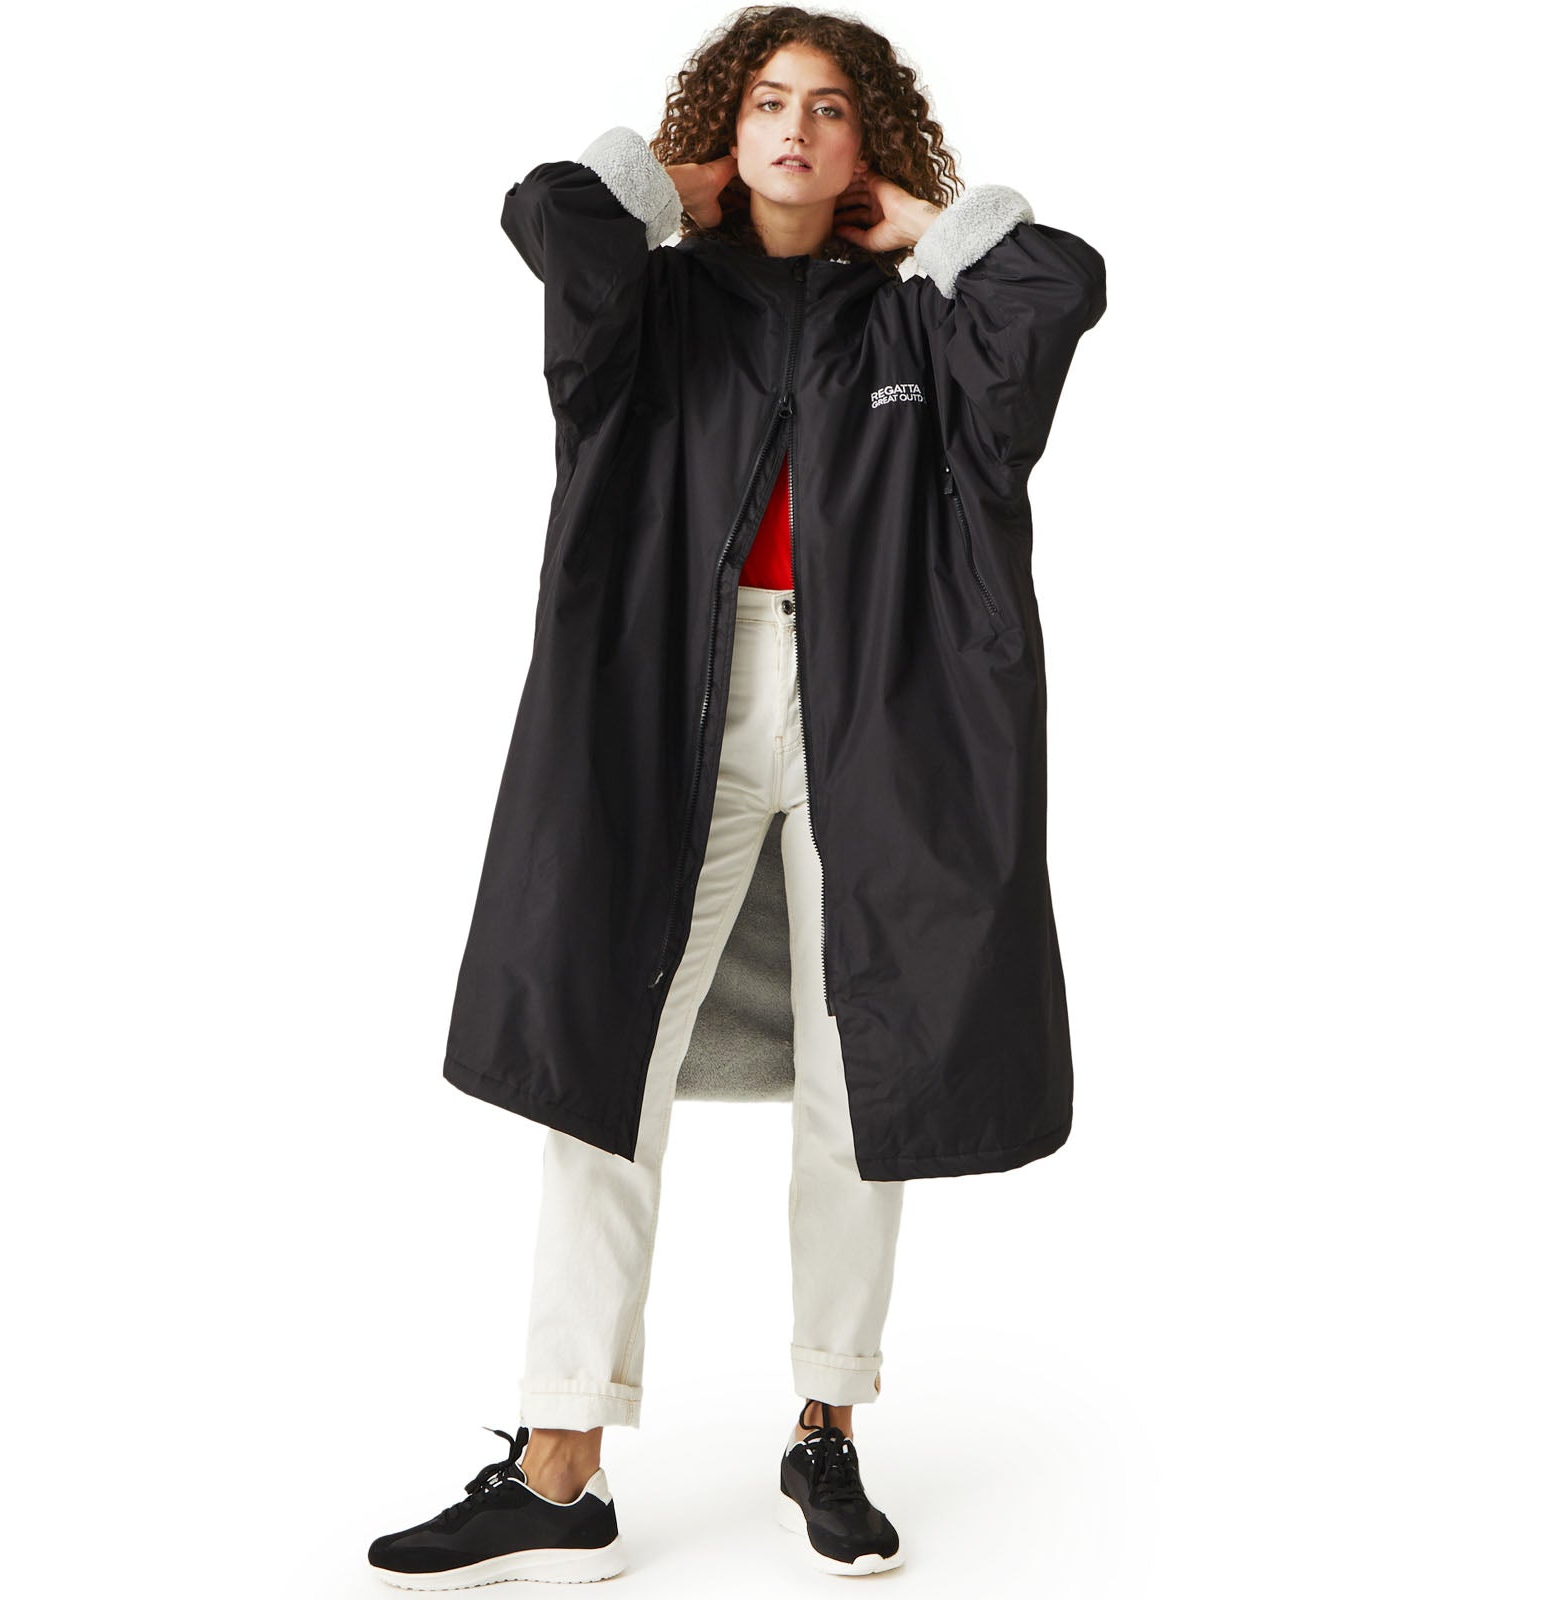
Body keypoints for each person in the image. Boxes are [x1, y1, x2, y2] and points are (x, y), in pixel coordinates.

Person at [368, 4, 1107, 1587]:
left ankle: (826, 1425)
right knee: (598, 1065)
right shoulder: (648, 302)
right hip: (669, 709)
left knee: (866, 1073)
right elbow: (550, 214)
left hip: (880, 716)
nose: (796, 129)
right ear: (727, 125)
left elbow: (1059, 287)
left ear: (866, 143)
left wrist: (936, 229)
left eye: (829, 108)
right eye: (768, 102)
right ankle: (560, 1463)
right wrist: (675, 186)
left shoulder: (921, 324)